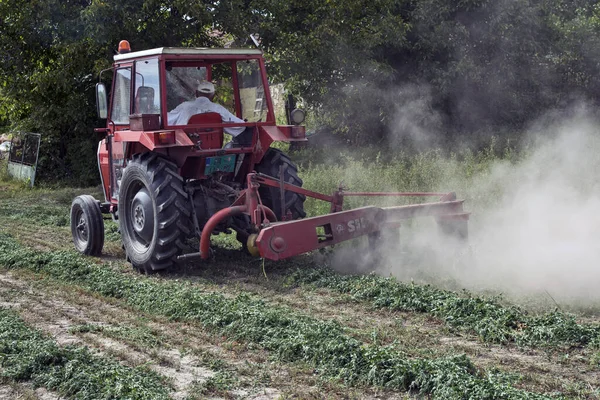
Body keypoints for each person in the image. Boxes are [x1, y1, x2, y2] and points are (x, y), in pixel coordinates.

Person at [167, 81, 246, 137]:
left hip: (185, 147)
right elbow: (239, 125)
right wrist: (246, 123)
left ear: (196, 93)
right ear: (213, 95)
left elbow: (167, 120)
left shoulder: (184, 106)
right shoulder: (218, 109)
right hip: (213, 148)